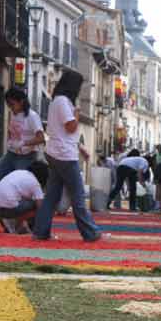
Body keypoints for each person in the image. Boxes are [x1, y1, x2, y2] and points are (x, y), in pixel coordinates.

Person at [33, 71, 103, 242]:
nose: (79, 90)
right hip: (64, 155)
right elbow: (71, 127)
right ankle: (90, 232)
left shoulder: (56, 100)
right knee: (78, 195)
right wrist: (77, 111)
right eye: (78, 87)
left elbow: (62, 132)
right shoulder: (64, 102)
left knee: (52, 196)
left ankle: (40, 231)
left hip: (55, 152)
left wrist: (79, 147)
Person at [0, 88, 45, 181]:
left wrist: (23, 143)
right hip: (12, 153)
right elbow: (12, 131)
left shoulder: (32, 116)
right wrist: (10, 141)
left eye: (12, 104)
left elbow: (41, 138)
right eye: (8, 104)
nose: (10, 107)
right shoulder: (13, 114)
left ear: (21, 101)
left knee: (18, 181)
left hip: (26, 156)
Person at [0, 161, 48, 234]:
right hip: (8, 210)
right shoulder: (35, 183)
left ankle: (15, 223)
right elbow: (40, 207)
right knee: (38, 206)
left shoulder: (19, 172)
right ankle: (15, 222)